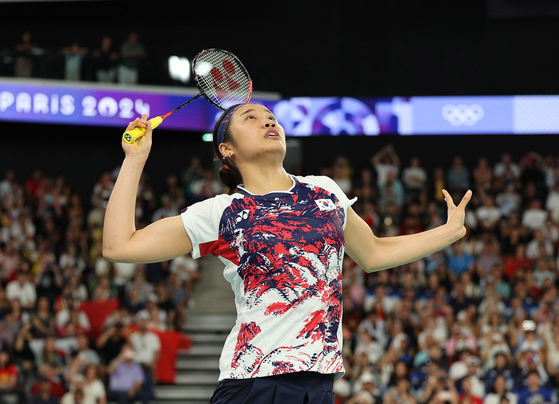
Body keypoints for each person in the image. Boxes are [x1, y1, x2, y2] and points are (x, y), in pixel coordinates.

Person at [103, 103, 472, 403]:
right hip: (255, 382)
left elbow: (373, 253)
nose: (267, 122)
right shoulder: (220, 212)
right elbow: (120, 246)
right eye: (251, 118)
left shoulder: (325, 191)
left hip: (319, 382)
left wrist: (447, 232)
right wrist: (134, 159)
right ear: (227, 150)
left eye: (272, 118)